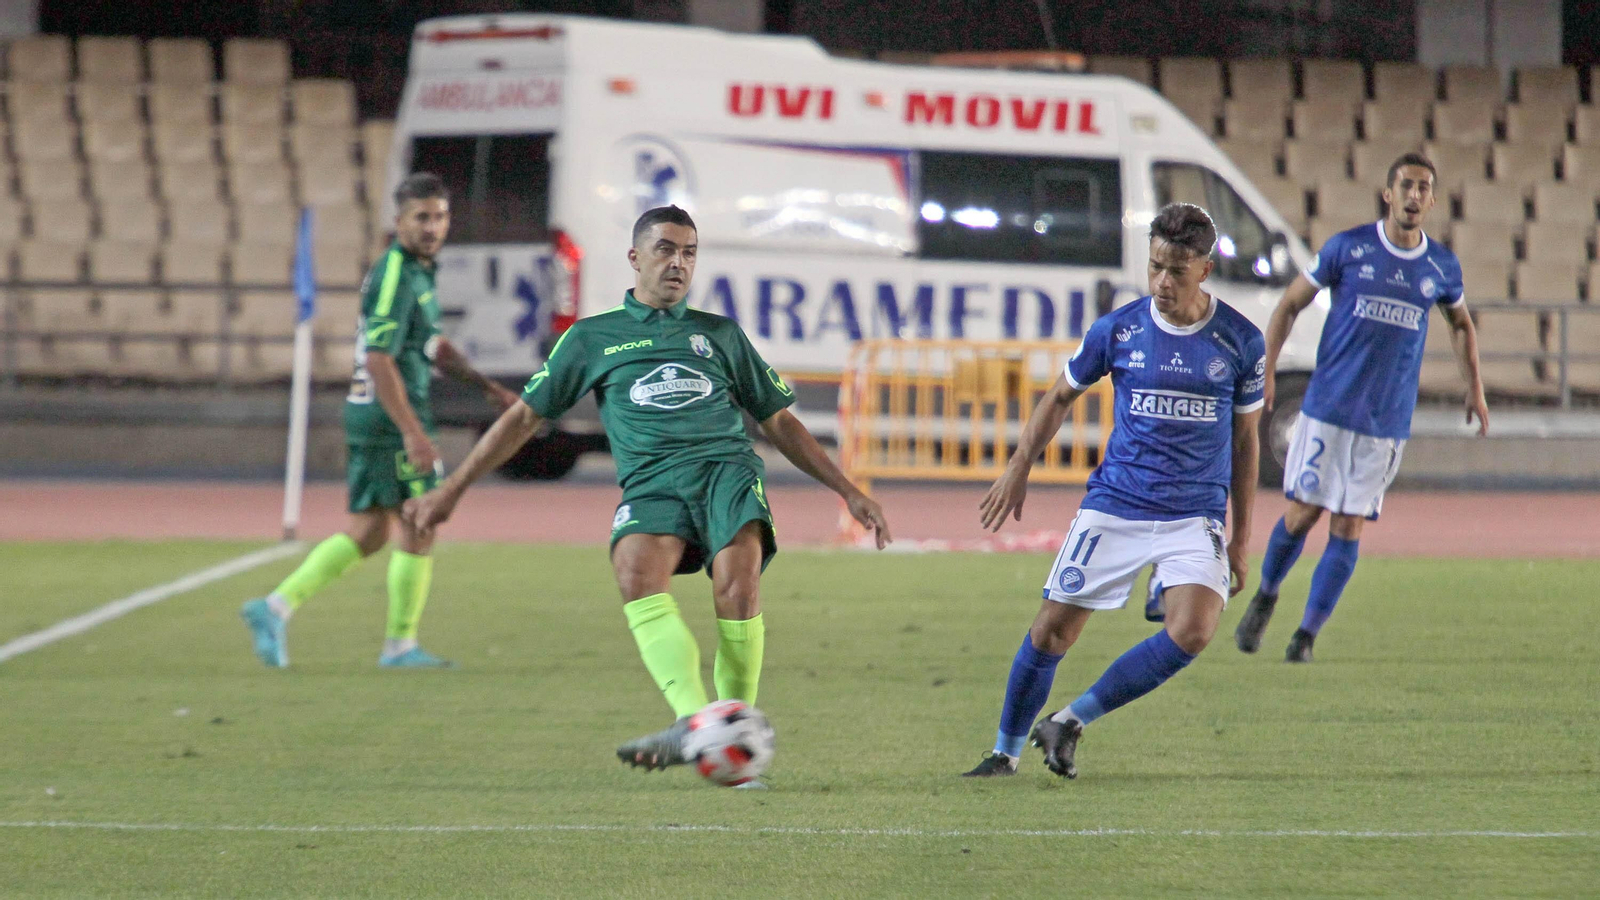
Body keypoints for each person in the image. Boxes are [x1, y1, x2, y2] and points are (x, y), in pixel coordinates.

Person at [403, 205, 891, 771]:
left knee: (737, 588)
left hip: (724, 473)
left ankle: (733, 735)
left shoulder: (720, 336)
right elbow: (522, 420)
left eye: (688, 253)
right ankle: (699, 725)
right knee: (634, 569)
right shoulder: (591, 339)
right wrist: (453, 490)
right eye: (665, 249)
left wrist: (847, 489)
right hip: (652, 483)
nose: (678, 263)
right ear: (635, 258)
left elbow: (779, 421)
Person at [962, 203, 1263, 779]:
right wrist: (1019, 466)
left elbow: (1247, 443)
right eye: (1154, 268)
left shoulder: (1240, 342)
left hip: (1193, 515)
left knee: (1194, 630)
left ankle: (1070, 721)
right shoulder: (1119, 329)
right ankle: (1004, 752)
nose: (1161, 283)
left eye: (1176, 271)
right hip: (1116, 504)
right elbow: (1058, 396)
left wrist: (1242, 538)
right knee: (1053, 629)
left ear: (1204, 269)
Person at [240, 172, 520, 669]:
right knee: (422, 519)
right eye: (421, 218)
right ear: (399, 222)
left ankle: (274, 607)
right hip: (390, 418)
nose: (432, 227)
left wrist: (486, 385)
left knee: (369, 532)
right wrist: (413, 433)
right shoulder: (395, 274)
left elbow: (432, 346)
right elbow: (378, 358)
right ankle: (399, 646)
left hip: (382, 415)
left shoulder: (419, 271)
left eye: (439, 217)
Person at [1234, 153, 1489, 663]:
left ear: (1433, 201)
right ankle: (1266, 593)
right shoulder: (1348, 249)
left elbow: (1460, 324)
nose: (1415, 196)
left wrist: (1474, 387)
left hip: (1385, 423)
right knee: (1304, 513)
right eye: (1407, 186)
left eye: (1424, 188)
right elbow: (1287, 306)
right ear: (1387, 194)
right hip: (1328, 408)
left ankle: (1305, 635)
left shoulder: (1441, 266)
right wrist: (1267, 367)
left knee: (1348, 523)